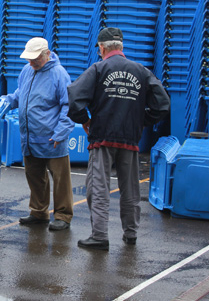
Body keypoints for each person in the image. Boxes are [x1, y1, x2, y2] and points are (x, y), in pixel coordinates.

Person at [67, 27, 170, 251]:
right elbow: (162, 104)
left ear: (102, 48)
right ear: (121, 47)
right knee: (131, 188)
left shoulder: (98, 68)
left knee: (98, 187)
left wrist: (84, 120)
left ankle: (100, 236)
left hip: (101, 138)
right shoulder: (141, 71)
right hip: (130, 139)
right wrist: (141, 120)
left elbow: (74, 97)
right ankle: (130, 234)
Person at [4, 37, 75, 231]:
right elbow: (19, 95)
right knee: (34, 175)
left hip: (52, 137)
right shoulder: (28, 70)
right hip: (30, 136)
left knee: (60, 178)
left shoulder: (59, 74)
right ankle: (38, 211)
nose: (31, 62)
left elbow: (68, 105)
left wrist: (60, 133)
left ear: (47, 54)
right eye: (29, 59)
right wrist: (2, 104)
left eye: (35, 58)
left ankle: (62, 215)